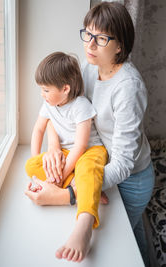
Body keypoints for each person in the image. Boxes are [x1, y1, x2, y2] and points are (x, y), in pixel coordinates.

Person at [25, 2, 155, 266]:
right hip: (99, 162)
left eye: (101, 38)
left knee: (121, 248)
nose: (90, 45)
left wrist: (68, 194)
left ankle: (85, 228)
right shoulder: (88, 67)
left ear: (120, 46)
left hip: (130, 178)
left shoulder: (128, 89)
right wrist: (52, 145)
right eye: (88, 33)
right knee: (137, 235)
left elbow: (123, 164)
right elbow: (60, 108)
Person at [25, 51, 108, 262]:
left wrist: (61, 174)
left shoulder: (81, 106)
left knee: (87, 170)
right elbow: (38, 131)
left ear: (65, 89)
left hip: (90, 151)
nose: (42, 94)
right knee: (31, 165)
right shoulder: (49, 104)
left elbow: (80, 145)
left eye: (46, 90)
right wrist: (39, 165)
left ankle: (84, 226)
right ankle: (87, 190)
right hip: (66, 152)